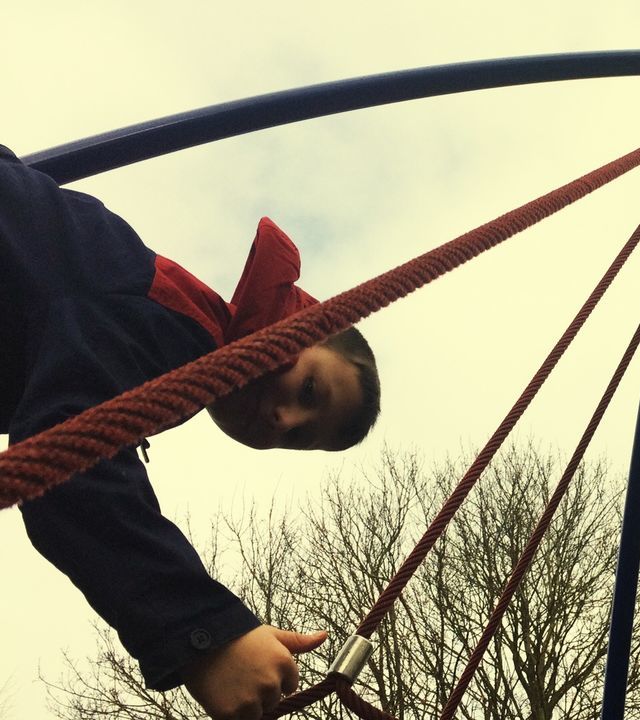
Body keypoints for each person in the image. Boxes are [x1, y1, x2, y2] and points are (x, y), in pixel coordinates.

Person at [0, 143, 381, 720]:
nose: (283, 421)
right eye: (309, 390)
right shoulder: (175, 328)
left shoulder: (166, 335)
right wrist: (206, 631)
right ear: (293, 329)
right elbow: (70, 469)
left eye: (298, 438)